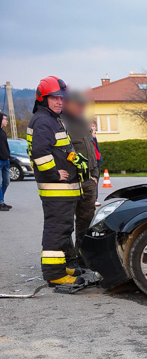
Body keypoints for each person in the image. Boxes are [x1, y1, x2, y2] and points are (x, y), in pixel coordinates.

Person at [26, 76, 85, 287]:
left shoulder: (51, 118)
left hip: (62, 189)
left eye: (62, 98)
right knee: (57, 229)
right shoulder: (44, 120)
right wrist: (53, 173)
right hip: (55, 188)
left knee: (62, 228)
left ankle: (60, 266)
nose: (60, 102)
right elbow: (39, 152)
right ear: (44, 99)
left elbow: (59, 149)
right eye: (54, 98)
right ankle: (55, 274)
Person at [62, 90, 99, 260]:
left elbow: (92, 150)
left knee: (86, 222)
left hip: (88, 182)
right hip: (71, 182)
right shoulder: (61, 124)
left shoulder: (84, 123)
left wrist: (95, 175)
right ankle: (69, 259)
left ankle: (83, 257)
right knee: (66, 223)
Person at [0, 112, 11, 211]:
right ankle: (1, 203)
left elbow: (6, 147)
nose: (6, 121)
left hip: (5, 161)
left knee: (6, 182)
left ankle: (1, 200)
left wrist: (8, 157)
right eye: (4, 119)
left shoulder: (3, 132)